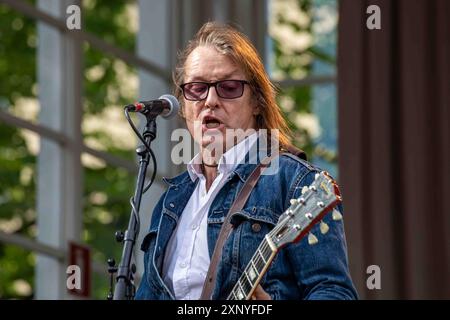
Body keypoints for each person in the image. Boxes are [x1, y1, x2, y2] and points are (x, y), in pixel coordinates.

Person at [135, 22, 357, 300]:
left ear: (257, 102)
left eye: (228, 87)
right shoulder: (171, 200)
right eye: (196, 88)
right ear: (184, 103)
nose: (210, 100)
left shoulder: (296, 183)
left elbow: (334, 292)